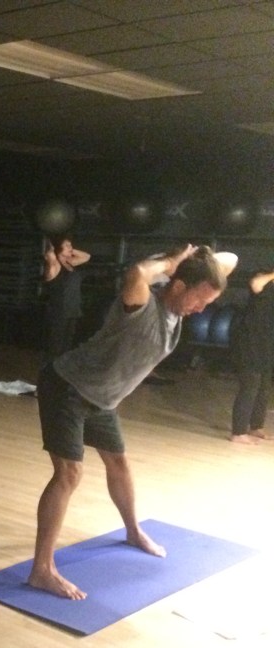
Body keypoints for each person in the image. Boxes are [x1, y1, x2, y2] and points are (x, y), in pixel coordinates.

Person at [31, 244, 237, 600]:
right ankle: (41, 570)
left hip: (103, 399)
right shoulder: (140, 304)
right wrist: (171, 263)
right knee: (69, 474)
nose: (202, 309)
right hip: (68, 387)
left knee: (119, 464)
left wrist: (196, 257)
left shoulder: (179, 306)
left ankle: (132, 531)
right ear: (177, 286)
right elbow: (138, 273)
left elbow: (230, 260)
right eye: (199, 299)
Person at [229, 267, 274, 444]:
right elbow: (255, 284)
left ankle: (256, 426)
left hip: (267, 343)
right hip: (250, 339)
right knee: (250, 384)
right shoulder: (263, 278)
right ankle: (238, 432)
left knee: (264, 385)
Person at [42, 234, 91, 361]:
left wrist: (69, 250)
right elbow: (49, 255)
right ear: (58, 248)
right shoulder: (55, 266)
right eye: (67, 245)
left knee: (67, 346)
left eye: (71, 245)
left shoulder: (70, 263)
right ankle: (49, 369)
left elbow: (87, 256)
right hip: (59, 312)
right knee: (56, 346)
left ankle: (60, 369)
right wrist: (54, 247)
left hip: (73, 310)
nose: (71, 247)